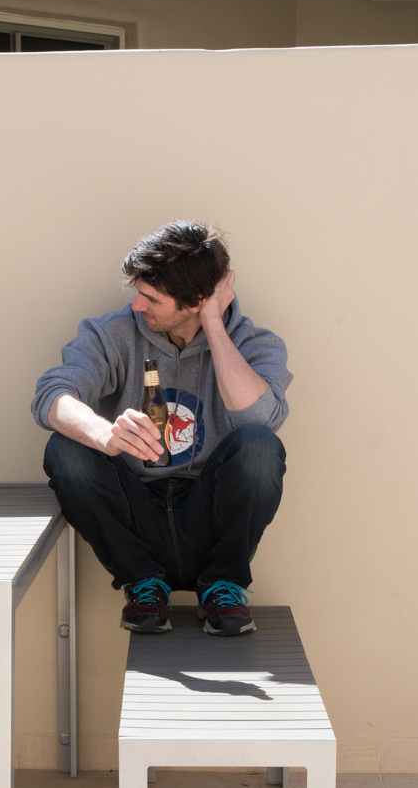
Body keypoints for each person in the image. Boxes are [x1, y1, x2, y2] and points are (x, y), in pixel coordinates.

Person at [34, 221, 291, 636]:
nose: (138, 305)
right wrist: (105, 435)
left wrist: (213, 324)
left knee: (259, 444)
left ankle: (223, 587)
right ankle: (144, 586)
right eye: (138, 292)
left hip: (212, 516)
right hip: (137, 514)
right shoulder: (112, 334)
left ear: (196, 301)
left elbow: (261, 421)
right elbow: (51, 395)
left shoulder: (255, 344)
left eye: (151, 297)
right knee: (66, 449)